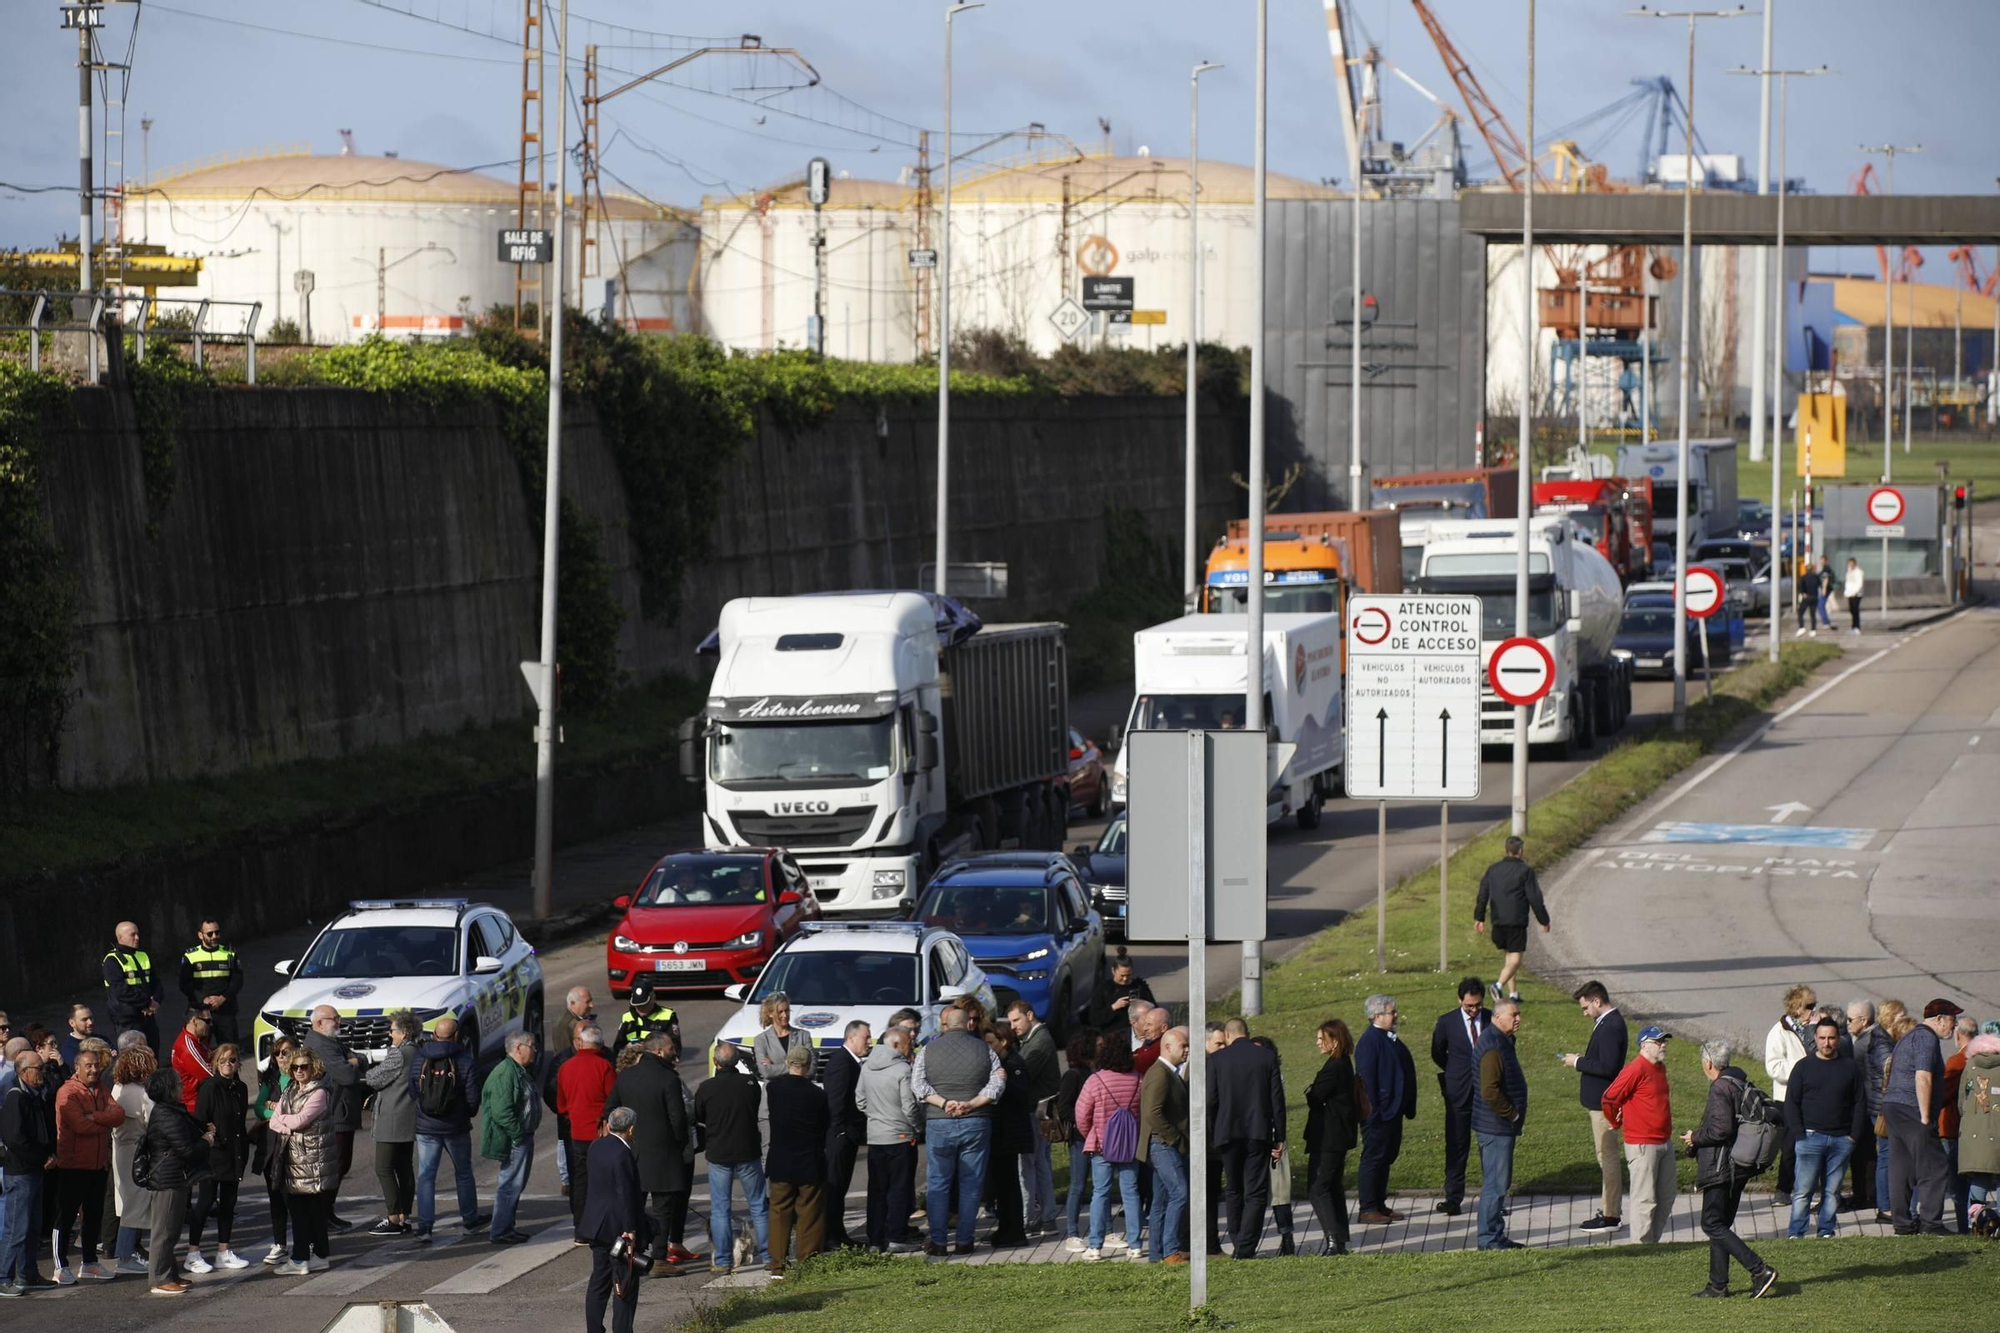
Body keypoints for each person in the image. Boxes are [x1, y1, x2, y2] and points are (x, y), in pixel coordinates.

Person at [1684, 1039, 1778, 1299]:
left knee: (1711, 1223)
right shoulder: (1739, 1082)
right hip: (1738, 1165)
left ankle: (1760, 1270)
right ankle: (1718, 1285)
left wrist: (1695, 1137)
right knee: (1721, 1224)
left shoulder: (1720, 1087)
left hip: (1721, 1166)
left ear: (1709, 1063)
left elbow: (1720, 1130)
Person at [912, 1005, 1003, 1256]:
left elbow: (917, 1084)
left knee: (939, 1184)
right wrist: (972, 1103)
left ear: (946, 1025)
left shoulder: (928, 1050)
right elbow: (998, 1081)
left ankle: (939, 1242)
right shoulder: (985, 1049)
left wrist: (943, 1103)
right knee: (971, 1184)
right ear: (968, 1024)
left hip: (939, 1121)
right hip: (976, 1121)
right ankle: (965, 1240)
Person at [606, 1033, 693, 1274]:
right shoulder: (668, 1079)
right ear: (658, 1051)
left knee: (632, 1207)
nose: (674, 1051)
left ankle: (627, 1253)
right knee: (663, 1211)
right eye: (670, 1048)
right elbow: (678, 1120)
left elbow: (610, 1109)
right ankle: (659, 1259)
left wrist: (625, 1136)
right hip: (664, 1155)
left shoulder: (626, 1077)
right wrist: (677, 1144)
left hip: (631, 1153)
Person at [1784, 1016, 1866, 1239]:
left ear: (1838, 1039)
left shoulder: (1850, 1067)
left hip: (1841, 1140)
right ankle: (1796, 1232)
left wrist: (1853, 1137)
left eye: (1831, 1038)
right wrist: (1800, 1135)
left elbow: (1860, 1102)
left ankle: (1826, 1231)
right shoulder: (1803, 1067)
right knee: (1803, 1191)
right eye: (1822, 1038)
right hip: (1810, 1137)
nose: (1826, 1043)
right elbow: (1791, 1103)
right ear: (1815, 1039)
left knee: (1832, 1191)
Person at [1209, 1017, 1285, 1257]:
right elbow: (1276, 1100)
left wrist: (1213, 1131)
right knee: (1255, 1190)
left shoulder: (1217, 1059)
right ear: (1248, 1034)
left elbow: (1211, 1099)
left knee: (1233, 1188)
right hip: (1258, 1132)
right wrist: (1279, 1135)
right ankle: (1246, 1245)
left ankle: (1236, 1237)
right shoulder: (1266, 1057)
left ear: (1227, 1035)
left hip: (1227, 1132)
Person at [693, 1040, 768, 1275]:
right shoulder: (749, 1084)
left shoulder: (706, 1088)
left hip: (719, 1153)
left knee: (720, 1209)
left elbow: (698, 1115)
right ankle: (769, 1255)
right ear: (736, 1061)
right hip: (747, 1151)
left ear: (716, 1062)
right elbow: (755, 1106)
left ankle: (724, 1260)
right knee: (758, 1205)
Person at [1884, 999, 1957, 1235]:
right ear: (1939, 1019)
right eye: (1951, 1021)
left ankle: (1902, 1224)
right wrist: (1926, 1116)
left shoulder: (1908, 1036)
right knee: (1935, 1166)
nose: (1952, 1027)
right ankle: (1931, 1223)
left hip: (1894, 1106)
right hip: (1913, 1108)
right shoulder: (1926, 1038)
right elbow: (1923, 1076)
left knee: (1901, 1166)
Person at [408, 1015, 484, 1240]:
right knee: (463, 1173)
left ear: (434, 1035)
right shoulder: (465, 1060)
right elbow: (473, 1097)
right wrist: (465, 1114)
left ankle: (425, 1226)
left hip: (426, 1128)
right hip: (456, 1127)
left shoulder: (420, 1057)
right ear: (456, 1036)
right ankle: (470, 1220)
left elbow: (413, 1090)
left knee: (426, 1175)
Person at [1562, 980, 1629, 1232]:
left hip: (1604, 1103)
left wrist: (1578, 1062)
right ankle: (1610, 1209)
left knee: (1607, 1157)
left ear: (1597, 1001)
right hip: (1600, 1101)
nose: (1585, 1013)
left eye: (1585, 1008)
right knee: (1605, 1156)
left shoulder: (1611, 1026)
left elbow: (1608, 1067)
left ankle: (1611, 1215)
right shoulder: (1607, 1023)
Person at [52, 1046, 123, 1284]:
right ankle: (60, 1265)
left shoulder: (101, 1089)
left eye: (96, 1065)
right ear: (77, 1068)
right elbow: (80, 1126)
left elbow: (119, 1114)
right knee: (66, 1215)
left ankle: (90, 1262)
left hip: (97, 1164)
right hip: (73, 1165)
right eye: (88, 1066)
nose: (94, 1069)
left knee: (93, 1215)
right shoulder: (67, 1092)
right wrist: (104, 1122)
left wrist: (97, 1117)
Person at [1601, 1025, 1676, 1244]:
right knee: (1645, 1200)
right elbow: (1609, 1099)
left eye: (1664, 1041)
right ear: (1644, 1046)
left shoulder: (1659, 1068)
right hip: (1643, 1145)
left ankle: (1651, 1244)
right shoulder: (1636, 1069)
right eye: (1658, 1041)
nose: (1663, 1045)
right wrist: (1616, 1121)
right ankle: (1640, 1248)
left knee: (1666, 1197)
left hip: (1664, 1142)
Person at [1072, 1030, 1143, 1261]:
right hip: (1129, 1145)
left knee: (1100, 1193)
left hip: (1102, 1145)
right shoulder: (1138, 1079)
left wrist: (1092, 1133)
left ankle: (1095, 1245)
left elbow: (1082, 1114)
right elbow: (1142, 1113)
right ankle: (1135, 1244)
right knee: (1131, 1193)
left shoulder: (1096, 1080)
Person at [139, 1068, 208, 1295]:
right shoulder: (166, 1114)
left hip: (176, 1177)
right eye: (178, 1084)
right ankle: (159, 1279)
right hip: (166, 1179)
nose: (182, 1087)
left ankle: (170, 1273)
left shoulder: (171, 1111)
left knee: (173, 1229)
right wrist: (207, 1141)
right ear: (169, 1090)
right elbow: (186, 1149)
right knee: (164, 1232)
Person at [269, 1046, 335, 1275]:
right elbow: (273, 1121)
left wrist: (286, 1123)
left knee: (303, 1211)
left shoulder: (319, 1092)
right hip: (294, 1158)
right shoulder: (290, 1089)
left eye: (304, 1067)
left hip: (311, 1159)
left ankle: (300, 1259)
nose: (299, 1071)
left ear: (313, 1067)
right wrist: (287, 1123)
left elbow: (300, 1120)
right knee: (308, 1210)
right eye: (295, 1067)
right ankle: (320, 1255)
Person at [580, 1106, 647, 1333]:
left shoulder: (597, 1145)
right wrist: (630, 1228)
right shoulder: (623, 1153)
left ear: (608, 1125)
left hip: (596, 1224)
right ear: (631, 1129)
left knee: (599, 1281)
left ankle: (594, 1329)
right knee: (625, 1282)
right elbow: (626, 1193)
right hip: (617, 1226)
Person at [185, 1042, 250, 1272]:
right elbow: (199, 1118)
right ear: (215, 1063)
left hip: (235, 1152)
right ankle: (193, 1252)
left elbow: (240, 1122)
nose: (228, 1065)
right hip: (214, 1154)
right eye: (223, 1061)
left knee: (229, 1203)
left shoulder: (241, 1088)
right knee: (205, 1201)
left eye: (232, 1060)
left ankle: (224, 1250)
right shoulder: (210, 1087)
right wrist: (210, 1134)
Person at [764, 1045, 829, 1275]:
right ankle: (807, 1262)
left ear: (788, 1063)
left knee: (779, 1211)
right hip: (809, 1160)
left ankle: (777, 1265)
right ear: (809, 1066)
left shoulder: (774, 1089)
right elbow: (824, 1126)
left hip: (781, 1160)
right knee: (809, 1213)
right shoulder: (818, 1095)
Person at [856, 1024, 919, 1253]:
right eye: (907, 1043)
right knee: (900, 1188)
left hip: (876, 1136)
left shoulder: (867, 1067)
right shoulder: (903, 1069)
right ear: (894, 1044)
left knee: (877, 1190)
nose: (911, 1046)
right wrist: (916, 1128)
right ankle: (896, 1237)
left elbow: (860, 1101)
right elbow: (909, 1106)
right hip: (900, 1136)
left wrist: (876, 1116)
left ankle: (875, 1239)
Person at [1429, 978, 1489, 1218]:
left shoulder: (1491, 1018)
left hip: (1486, 1093)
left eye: (1477, 1005)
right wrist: (1454, 1071)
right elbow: (1437, 1052)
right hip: (1458, 1093)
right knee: (1456, 1145)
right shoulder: (1447, 1022)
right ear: (1460, 1000)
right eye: (1469, 1006)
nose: (1474, 1010)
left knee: (1489, 1146)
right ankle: (1453, 1198)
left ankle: (1493, 1198)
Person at [1, 1049, 58, 1296]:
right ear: (24, 1072)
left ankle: (28, 1274)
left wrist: (50, 1153)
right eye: (39, 1069)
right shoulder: (16, 1098)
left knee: (33, 1227)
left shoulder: (36, 1096)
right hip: (21, 1172)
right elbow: (15, 1139)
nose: (43, 1073)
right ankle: (4, 1277)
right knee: (16, 1228)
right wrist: (41, 1157)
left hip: (35, 1170)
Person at [1354, 995, 1415, 1223]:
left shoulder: (1388, 1038)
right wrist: (1376, 1111)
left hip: (1392, 1111)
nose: (1396, 1015)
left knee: (1386, 1157)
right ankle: (1368, 1208)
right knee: (1373, 1157)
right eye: (1392, 1012)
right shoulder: (1370, 1041)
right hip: (1378, 1113)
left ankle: (1379, 1203)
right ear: (1377, 1016)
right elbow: (1367, 1080)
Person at [1473, 998, 1527, 1251]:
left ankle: (1495, 1234)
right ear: (1497, 1018)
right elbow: (1490, 1090)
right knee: (1495, 1185)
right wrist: (1512, 1114)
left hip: (1496, 1125)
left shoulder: (1500, 1041)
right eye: (1513, 1015)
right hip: (1496, 1127)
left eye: (1518, 1014)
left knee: (1497, 1183)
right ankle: (1489, 1239)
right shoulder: (1493, 1046)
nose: (1518, 1019)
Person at [302, 1005, 361, 1231]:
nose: (339, 1022)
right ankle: (322, 1213)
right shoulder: (320, 1045)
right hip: (334, 1113)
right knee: (334, 1166)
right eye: (335, 1018)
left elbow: (357, 1058)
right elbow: (346, 1074)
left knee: (340, 1165)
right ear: (319, 1023)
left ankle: (327, 1211)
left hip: (342, 1112)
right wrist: (352, 1063)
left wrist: (354, 1061)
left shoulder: (330, 1041)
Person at [479, 1031, 541, 1245]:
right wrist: (518, 1134)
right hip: (515, 1139)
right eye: (531, 1046)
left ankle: (506, 1227)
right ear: (518, 1048)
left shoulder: (517, 1070)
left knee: (515, 1184)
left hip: (521, 1137)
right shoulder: (506, 1072)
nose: (534, 1050)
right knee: (509, 1185)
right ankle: (501, 1230)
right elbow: (501, 1111)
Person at [1305, 1019, 1359, 1256]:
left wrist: (1311, 1090)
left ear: (1334, 1041)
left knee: (1319, 1187)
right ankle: (1339, 1238)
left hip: (1328, 1137)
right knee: (1332, 1186)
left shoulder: (1335, 1067)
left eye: (1321, 1038)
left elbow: (1316, 1096)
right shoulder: (1342, 1064)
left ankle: (1333, 1241)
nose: (1317, 1043)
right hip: (1336, 1136)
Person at [560, 1024, 619, 1241]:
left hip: (577, 1132)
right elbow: (613, 1100)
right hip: (601, 1134)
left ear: (581, 1043)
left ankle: (581, 1229)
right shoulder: (604, 1067)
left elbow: (561, 1103)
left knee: (580, 1181)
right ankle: (603, 1227)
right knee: (604, 1183)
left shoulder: (566, 1067)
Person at [362, 1012, 419, 1237]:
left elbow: (374, 1078)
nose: (390, 1034)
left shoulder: (398, 1054)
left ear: (403, 1033)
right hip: (408, 1117)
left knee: (384, 1168)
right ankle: (405, 1216)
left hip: (392, 1118)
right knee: (404, 1168)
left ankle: (393, 1217)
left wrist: (364, 1065)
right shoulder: (416, 1051)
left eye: (393, 1030)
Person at [1008, 1001, 1061, 1237]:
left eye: (1016, 1020)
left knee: (1028, 1167)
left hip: (1035, 1112)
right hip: (1040, 1111)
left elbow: (1023, 1074)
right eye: (1010, 1022)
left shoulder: (1039, 1043)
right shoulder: (1035, 1039)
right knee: (1039, 1165)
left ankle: (1031, 1219)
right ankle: (1046, 1218)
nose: (1012, 1026)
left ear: (1029, 1015)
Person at [1474, 838, 1549, 1002]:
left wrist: (1479, 917)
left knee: (1508, 956)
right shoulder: (1526, 871)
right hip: (1516, 921)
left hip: (1498, 920)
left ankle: (1513, 994)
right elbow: (1535, 898)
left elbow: (1482, 895)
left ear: (1505, 850)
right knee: (1515, 960)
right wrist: (1544, 920)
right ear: (1520, 851)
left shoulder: (1492, 870)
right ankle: (1498, 986)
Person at [1140, 1026, 1190, 1263]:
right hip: (1162, 1144)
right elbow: (1152, 1113)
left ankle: (1156, 1254)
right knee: (1179, 1192)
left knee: (1160, 1201)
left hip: (1161, 1144)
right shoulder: (1160, 1073)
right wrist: (1176, 1139)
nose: (1187, 1050)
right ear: (1168, 1047)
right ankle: (1170, 1250)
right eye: (1183, 1046)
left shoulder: (1168, 1071)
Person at [1763, 983, 1816, 1207]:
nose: (1814, 1009)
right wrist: (1801, 1073)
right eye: (1809, 1005)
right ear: (1796, 1007)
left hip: (1814, 1096)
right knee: (1790, 1146)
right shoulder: (1779, 1031)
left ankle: (1812, 1188)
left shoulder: (1816, 1029)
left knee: (1815, 1143)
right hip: (1788, 1098)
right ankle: (1784, 1189)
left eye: (1815, 1005)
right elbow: (1774, 1067)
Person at [821, 1020, 870, 1250]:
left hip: (845, 1135)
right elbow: (836, 1101)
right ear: (851, 1038)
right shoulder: (843, 1063)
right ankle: (830, 1237)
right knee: (834, 1188)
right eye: (865, 1038)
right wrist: (841, 1131)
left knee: (840, 1189)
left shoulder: (850, 1062)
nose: (868, 1042)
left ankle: (839, 1234)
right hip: (840, 1136)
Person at [983, 1026, 1033, 1249]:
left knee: (1009, 1184)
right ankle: (1006, 1228)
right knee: (1001, 1185)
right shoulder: (1000, 1064)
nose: (988, 1048)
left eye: (991, 1043)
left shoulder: (1014, 1064)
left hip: (1009, 1133)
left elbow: (1021, 1093)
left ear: (1003, 1042)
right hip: (1001, 1132)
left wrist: (1002, 1081)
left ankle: (1014, 1231)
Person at [108, 1043, 156, 1275]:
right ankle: (124, 1255)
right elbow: (153, 1122)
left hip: (121, 1148)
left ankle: (125, 1252)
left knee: (126, 1200)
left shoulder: (118, 1088)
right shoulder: (142, 1093)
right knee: (134, 1204)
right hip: (137, 1150)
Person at [1248, 1035, 1298, 1255]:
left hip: (1274, 1136)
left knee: (1280, 1191)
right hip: (1254, 1137)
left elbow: (1277, 1106)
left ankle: (1287, 1236)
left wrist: (1279, 1138)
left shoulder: (1274, 1074)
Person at [548, 988, 596, 1200]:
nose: (592, 1005)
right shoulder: (565, 1027)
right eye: (588, 1001)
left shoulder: (578, 1021)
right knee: (568, 1147)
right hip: (573, 1106)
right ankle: (567, 1180)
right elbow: (564, 1062)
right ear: (574, 1003)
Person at [252, 1036, 297, 1263]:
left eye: (286, 1052)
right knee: (276, 1197)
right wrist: (277, 1114)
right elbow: (259, 1108)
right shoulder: (269, 1080)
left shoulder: (301, 1078)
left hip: (294, 1145)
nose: (281, 1057)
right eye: (278, 1053)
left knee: (296, 1199)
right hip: (272, 1147)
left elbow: (302, 1113)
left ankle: (304, 1242)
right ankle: (280, 1244)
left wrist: (276, 1110)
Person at [1055, 1029, 1098, 1245]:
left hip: (1096, 1134)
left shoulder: (1095, 1072)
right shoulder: (1073, 1075)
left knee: (1099, 1184)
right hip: (1081, 1136)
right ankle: (1072, 1232)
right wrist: (1085, 1121)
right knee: (1078, 1184)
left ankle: (1103, 1229)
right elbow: (1064, 1108)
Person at [1844, 998, 1884, 1215]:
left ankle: (1866, 1195)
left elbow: (1858, 1078)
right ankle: (1868, 1194)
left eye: (1850, 1019)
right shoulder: (1875, 1037)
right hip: (1872, 1105)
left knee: (1863, 1153)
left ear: (1864, 1020)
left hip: (1867, 1107)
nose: (1847, 1023)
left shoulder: (1861, 1045)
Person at [177, 918, 243, 1047]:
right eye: (210, 934)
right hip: (200, 1012)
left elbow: (238, 980)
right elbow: (184, 984)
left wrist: (222, 998)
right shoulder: (190, 956)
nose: (214, 936)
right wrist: (202, 1000)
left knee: (229, 1051)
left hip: (225, 1010)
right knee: (199, 1050)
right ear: (200, 935)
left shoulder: (229, 953)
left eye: (217, 933)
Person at [102, 921, 163, 1052]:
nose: (137, 938)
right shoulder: (112, 960)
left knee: (153, 1056)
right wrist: (147, 1002)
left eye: (138, 934)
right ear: (120, 937)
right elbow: (120, 990)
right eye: (132, 935)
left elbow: (156, 982)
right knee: (132, 1060)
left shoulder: (143, 955)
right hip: (128, 1021)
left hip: (148, 1018)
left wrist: (156, 1001)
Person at [1960, 1027, 2000, 1222]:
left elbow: (1962, 1101)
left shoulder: (1970, 1066)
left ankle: (1973, 1222)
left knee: (1979, 1177)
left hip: (1974, 1133)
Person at [1942, 1015, 1975, 1234]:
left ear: (1958, 1034)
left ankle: (1963, 1226)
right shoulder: (1982, 1057)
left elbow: (1944, 1094)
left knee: (1957, 1185)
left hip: (1953, 1127)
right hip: (1975, 1129)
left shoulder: (1957, 1061)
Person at [1086, 952, 1156, 1035]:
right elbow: (1094, 1019)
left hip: (1137, 1034)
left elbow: (1154, 1010)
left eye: (1128, 975)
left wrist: (1141, 1006)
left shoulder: (1140, 987)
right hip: (1112, 1035)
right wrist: (1114, 1007)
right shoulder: (1104, 989)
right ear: (1113, 971)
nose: (1125, 978)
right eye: (1122, 975)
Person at [613, 977, 679, 1061]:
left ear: (653, 998)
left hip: (657, 1064)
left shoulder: (667, 1016)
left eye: (644, 1004)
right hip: (633, 1066)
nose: (640, 1008)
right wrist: (627, 1048)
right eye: (637, 1005)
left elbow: (675, 1047)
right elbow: (617, 1048)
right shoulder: (627, 1018)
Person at [751, 993, 809, 1084]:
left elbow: (812, 1068)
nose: (785, 1015)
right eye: (780, 1012)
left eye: (787, 1011)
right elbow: (766, 1071)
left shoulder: (803, 1036)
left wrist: (776, 1066)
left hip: (798, 1093)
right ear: (770, 1014)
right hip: (773, 1095)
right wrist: (796, 1066)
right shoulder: (761, 1040)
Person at [170, 1009, 215, 1115]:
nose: (211, 1024)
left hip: (199, 1101)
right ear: (194, 1020)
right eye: (207, 1021)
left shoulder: (198, 1040)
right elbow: (210, 1076)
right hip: (194, 1106)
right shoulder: (187, 1047)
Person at [1795, 559, 1822, 638]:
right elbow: (1820, 585)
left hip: (1807, 597)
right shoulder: (1816, 577)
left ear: (1806, 569)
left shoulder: (1803, 577)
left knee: (1800, 612)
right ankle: (1813, 630)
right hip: (1814, 597)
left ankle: (1802, 627)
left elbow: (1800, 587)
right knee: (1813, 614)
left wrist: (1803, 593)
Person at [1844, 558, 1865, 634]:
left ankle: (1857, 627)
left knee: (1856, 610)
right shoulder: (1849, 572)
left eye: (1852, 564)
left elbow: (1859, 584)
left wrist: (1854, 593)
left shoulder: (1858, 572)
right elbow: (1848, 583)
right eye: (1849, 564)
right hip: (1850, 594)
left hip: (1857, 594)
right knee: (1851, 610)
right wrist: (1846, 593)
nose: (1850, 565)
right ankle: (1853, 626)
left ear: (1855, 564)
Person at [1815, 555, 1836, 630]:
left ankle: (1826, 622)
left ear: (1825, 561)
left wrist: (1824, 588)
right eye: (1821, 560)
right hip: (1825, 589)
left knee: (1820, 605)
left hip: (1826, 589)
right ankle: (1826, 622)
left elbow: (1826, 578)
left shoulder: (1826, 568)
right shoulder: (1824, 569)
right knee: (1821, 605)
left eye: (1823, 561)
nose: (1821, 562)